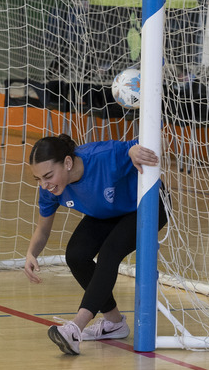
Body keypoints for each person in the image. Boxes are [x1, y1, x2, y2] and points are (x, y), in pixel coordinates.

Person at [22, 134, 161, 355]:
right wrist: (31, 253)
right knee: (76, 255)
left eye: (48, 176)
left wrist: (134, 150)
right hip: (108, 212)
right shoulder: (49, 189)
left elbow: (138, 142)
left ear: (68, 163)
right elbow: (43, 229)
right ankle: (114, 323)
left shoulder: (103, 156)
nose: (44, 185)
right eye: (38, 179)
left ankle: (75, 328)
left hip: (145, 204)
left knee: (109, 252)